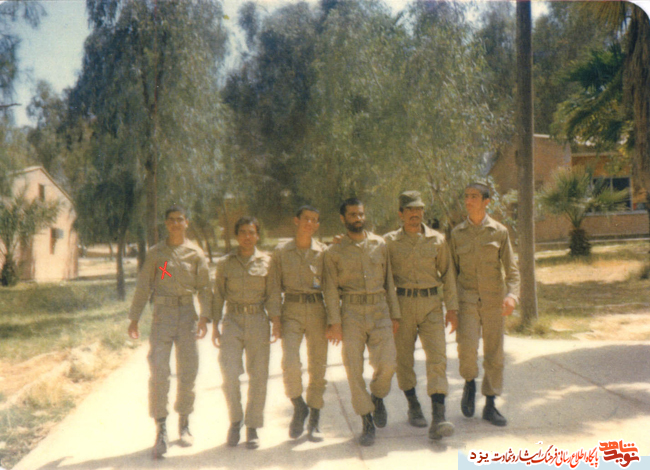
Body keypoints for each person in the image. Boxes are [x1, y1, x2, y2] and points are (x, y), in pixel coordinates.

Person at [128, 205, 211, 459]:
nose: (176, 223)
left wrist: (205, 317)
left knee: (188, 371)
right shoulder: (156, 253)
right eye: (171, 220)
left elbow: (204, 287)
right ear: (166, 224)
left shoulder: (195, 253)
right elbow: (144, 286)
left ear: (187, 222)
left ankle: (184, 423)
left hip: (187, 315)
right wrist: (134, 318)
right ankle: (161, 428)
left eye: (180, 219)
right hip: (162, 316)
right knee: (159, 371)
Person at [323, 198, 400, 447]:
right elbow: (330, 290)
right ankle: (366, 420)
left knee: (388, 363)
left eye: (360, 214)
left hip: (379, 310)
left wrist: (395, 314)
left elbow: (389, 281)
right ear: (343, 218)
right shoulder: (334, 252)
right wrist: (335, 322)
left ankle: (377, 396)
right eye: (352, 215)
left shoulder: (380, 244)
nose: (358, 218)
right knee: (353, 368)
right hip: (352, 312)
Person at [197, 216, 279, 449]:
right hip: (232, 321)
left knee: (258, 375)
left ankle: (252, 426)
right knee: (229, 373)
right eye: (243, 232)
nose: (247, 237)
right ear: (236, 236)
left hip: (258, 320)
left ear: (258, 236)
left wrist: (276, 321)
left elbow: (273, 294)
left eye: (251, 232)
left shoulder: (268, 262)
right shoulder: (226, 263)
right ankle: (235, 420)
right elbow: (218, 295)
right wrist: (215, 326)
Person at [383, 190, 458, 440]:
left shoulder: (437, 240)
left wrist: (452, 309)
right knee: (403, 359)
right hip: (402, 305)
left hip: (431, 305)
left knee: (437, 357)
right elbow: (383, 277)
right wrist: (391, 313)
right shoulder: (389, 242)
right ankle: (413, 404)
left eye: (419, 209)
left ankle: (438, 416)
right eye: (410, 210)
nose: (415, 214)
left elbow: (447, 275)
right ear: (401, 214)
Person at [450, 183, 520, 427]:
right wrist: (452, 307)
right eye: (466, 196)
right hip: (467, 301)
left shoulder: (499, 232)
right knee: (467, 349)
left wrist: (512, 296)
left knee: (494, 353)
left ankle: (490, 404)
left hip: (493, 302)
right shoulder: (457, 234)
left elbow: (512, 270)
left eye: (474, 197)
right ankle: (469, 383)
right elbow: (452, 274)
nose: (468, 201)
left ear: (486, 201)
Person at [268, 206, 328, 441]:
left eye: (314, 220)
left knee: (318, 366)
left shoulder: (323, 253)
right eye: (306, 219)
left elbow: (331, 287)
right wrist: (275, 319)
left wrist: (334, 320)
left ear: (318, 225)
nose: (309, 223)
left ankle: (314, 419)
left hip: (317, 309)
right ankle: (299, 405)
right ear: (296, 221)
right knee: (290, 362)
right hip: (291, 309)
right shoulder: (282, 252)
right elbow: (274, 287)